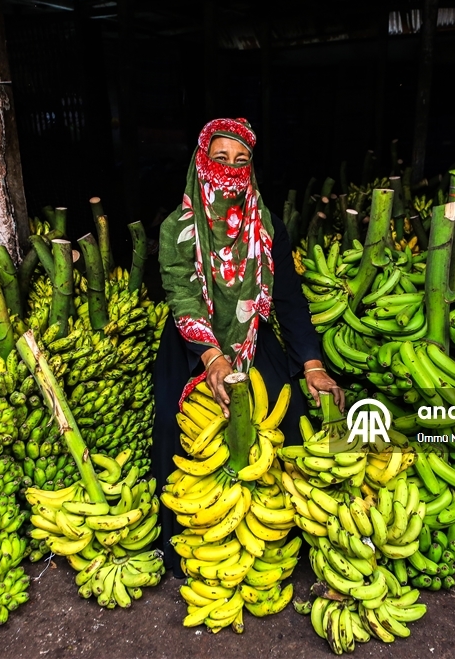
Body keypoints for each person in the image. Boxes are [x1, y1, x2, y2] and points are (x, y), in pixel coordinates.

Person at [153, 117, 343, 576]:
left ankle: (284, 534)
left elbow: (289, 300)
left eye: (241, 161)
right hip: (192, 344)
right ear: (202, 161)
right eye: (220, 158)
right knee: (175, 435)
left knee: (292, 415)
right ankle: (186, 546)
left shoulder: (267, 225)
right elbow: (183, 295)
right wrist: (213, 358)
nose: (230, 168)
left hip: (252, 341)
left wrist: (313, 365)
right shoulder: (177, 226)